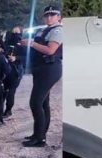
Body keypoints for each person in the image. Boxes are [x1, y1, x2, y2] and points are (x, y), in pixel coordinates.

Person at [19, 6, 62, 148]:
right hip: (41, 69)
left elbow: (50, 50)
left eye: (52, 15)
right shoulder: (44, 30)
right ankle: (39, 133)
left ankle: (40, 138)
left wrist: (32, 43)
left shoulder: (57, 31)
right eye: (47, 15)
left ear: (58, 16)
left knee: (35, 102)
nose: (49, 17)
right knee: (43, 103)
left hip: (49, 69)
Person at [0, 48, 24, 118]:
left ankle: (8, 110)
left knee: (10, 93)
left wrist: (16, 58)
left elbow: (28, 57)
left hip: (15, 73)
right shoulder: (7, 43)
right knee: (2, 92)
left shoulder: (23, 44)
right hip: (5, 73)